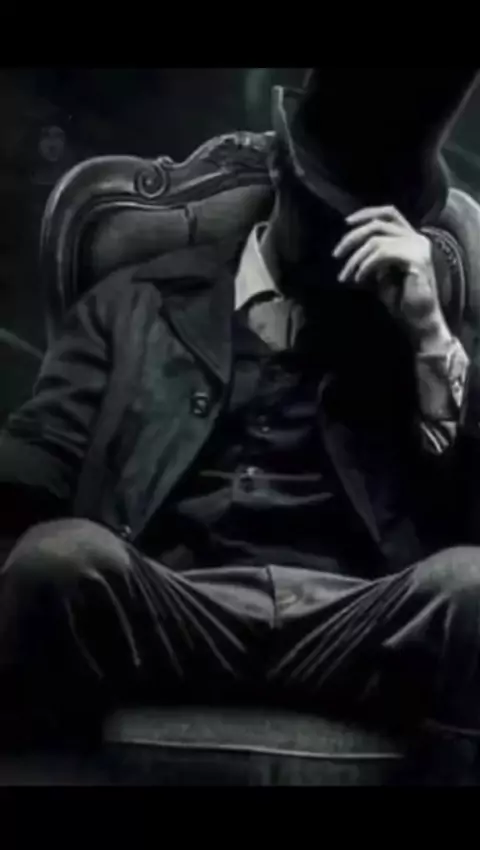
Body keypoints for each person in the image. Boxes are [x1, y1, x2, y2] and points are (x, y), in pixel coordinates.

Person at [0, 68, 480, 785]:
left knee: (473, 588)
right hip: (169, 604)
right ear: (280, 172)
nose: (342, 242)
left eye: (367, 220)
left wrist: (431, 339)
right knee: (58, 560)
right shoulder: (131, 303)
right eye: (327, 212)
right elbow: (37, 459)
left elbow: (463, 519)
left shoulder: (411, 330)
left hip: (351, 620)